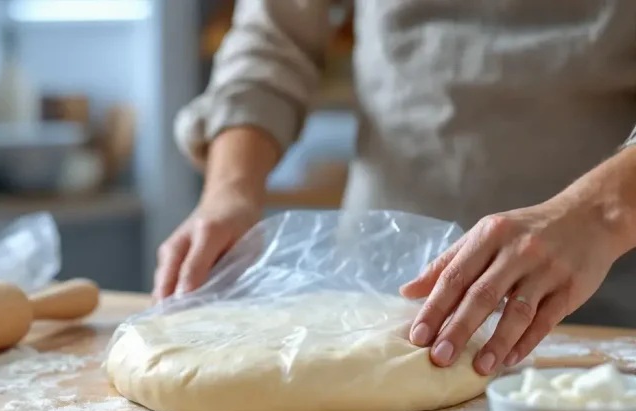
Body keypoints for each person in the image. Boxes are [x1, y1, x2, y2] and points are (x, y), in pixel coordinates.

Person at [155, 0, 636, 376]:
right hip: (381, 294)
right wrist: (229, 191)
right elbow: (274, 41)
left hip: (609, 300)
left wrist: (601, 213)